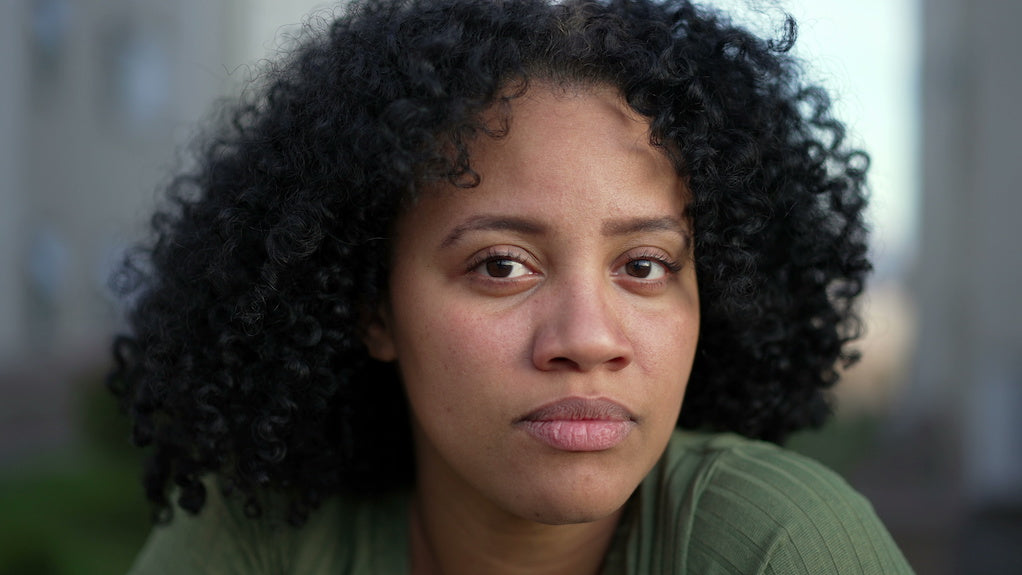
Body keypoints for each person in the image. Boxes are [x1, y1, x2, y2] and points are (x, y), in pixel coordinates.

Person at [108, 0, 914, 572]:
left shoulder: (778, 546)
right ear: (373, 305)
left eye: (644, 265)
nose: (589, 338)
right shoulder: (259, 536)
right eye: (501, 265)